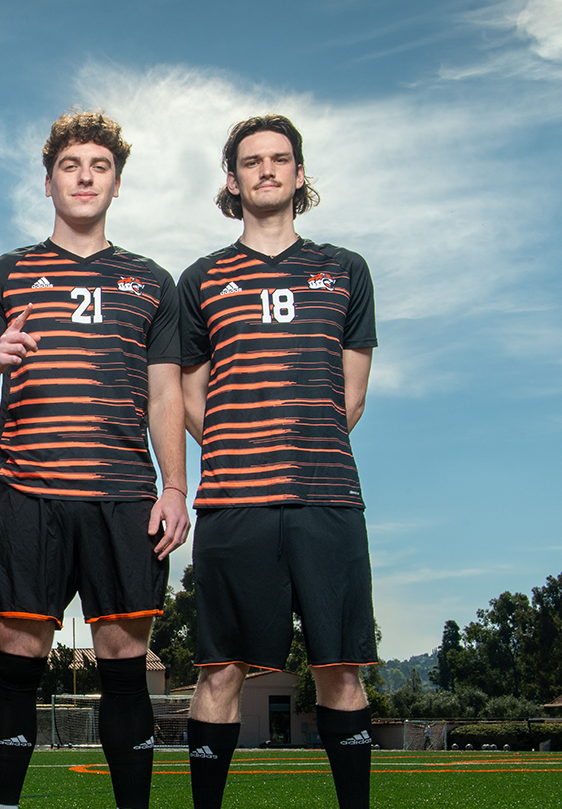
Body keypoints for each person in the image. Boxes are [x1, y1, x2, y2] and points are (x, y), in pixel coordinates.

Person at [0, 110, 190, 809]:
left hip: (122, 497)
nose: (84, 176)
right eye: (70, 165)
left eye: (99, 166)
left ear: (116, 183)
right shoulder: (5, 275)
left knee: (124, 668)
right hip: (27, 493)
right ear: (49, 179)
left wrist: (176, 485)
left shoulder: (152, 281)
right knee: (16, 667)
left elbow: (164, 396)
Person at [177, 114, 378, 809]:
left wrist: (299, 444)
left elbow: (349, 399)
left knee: (341, 669)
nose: (267, 169)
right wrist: (239, 445)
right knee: (219, 671)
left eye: (280, 159)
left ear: (299, 174)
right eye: (252, 161)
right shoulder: (201, 279)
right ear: (232, 180)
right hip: (235, 502)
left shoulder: (346, 271)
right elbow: (187, 399)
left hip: (328, 500)